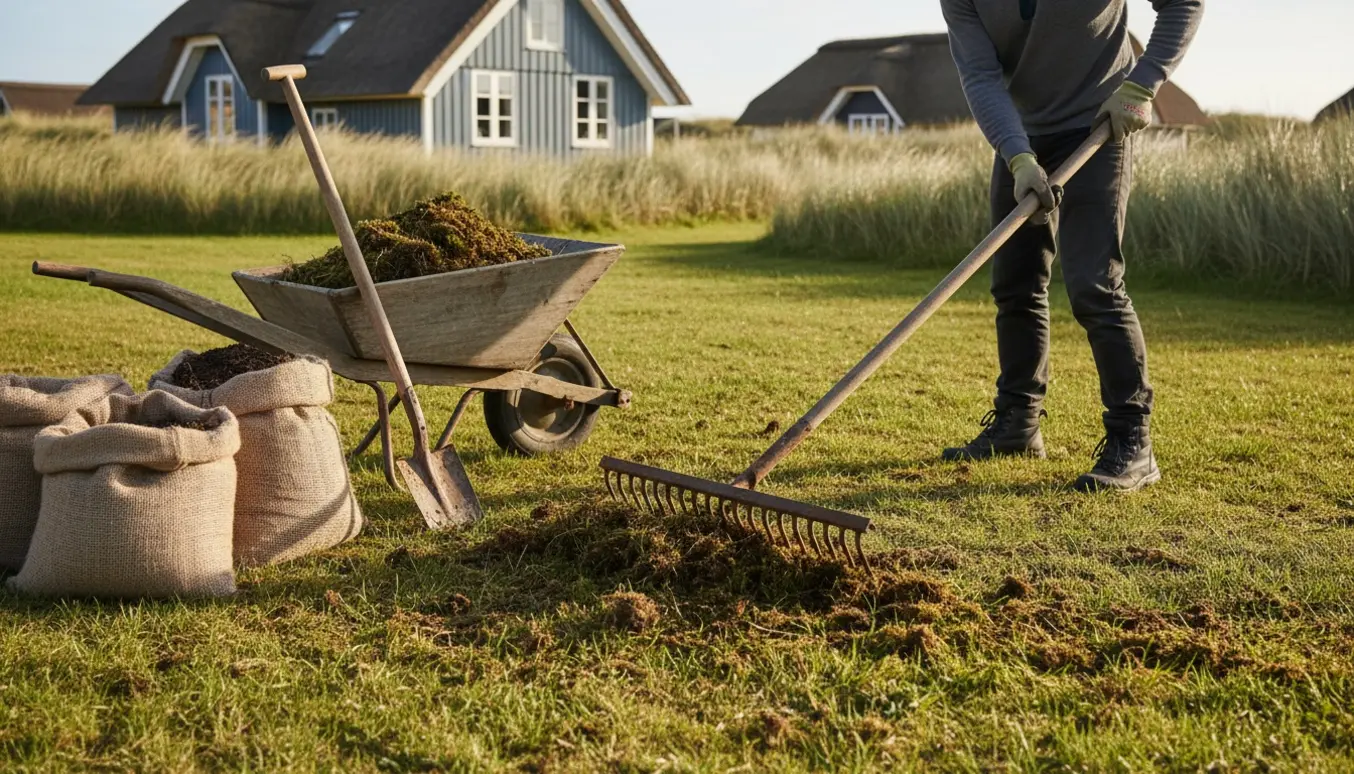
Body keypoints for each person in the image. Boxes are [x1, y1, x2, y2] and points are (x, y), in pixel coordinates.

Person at [938, 0, 1204, 492]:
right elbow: (980, 75)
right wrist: (1018, 158)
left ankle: (1133, 440)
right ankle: (1018, 423)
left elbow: (1183, 4)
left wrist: (1143, 84)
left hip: (1100, 122)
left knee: (1094, 285)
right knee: (1015, 283)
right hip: (1022, 133)